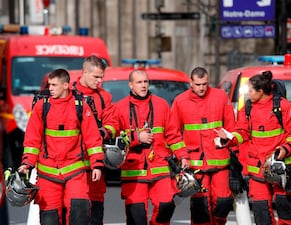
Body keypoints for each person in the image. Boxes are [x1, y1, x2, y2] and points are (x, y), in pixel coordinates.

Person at [216, 71, 291, 225]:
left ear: (261, 91)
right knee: (260, 210)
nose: (247, 94)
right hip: (258, 168)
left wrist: (284, 149)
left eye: (250, 90)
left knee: (285, 207)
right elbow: (242, 133)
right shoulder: (248, 108)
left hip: (280, 166)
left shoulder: (283, 106)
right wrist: (228, 139)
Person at [18, 68, 104, 225]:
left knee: (79, 213)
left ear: (66, 85)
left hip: (74, 170)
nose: (50, 88)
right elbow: (32, 140)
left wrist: (97, 164)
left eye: (54, 85)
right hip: (48, 173)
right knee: (50, 219)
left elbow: (92, 138)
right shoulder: (41, 107)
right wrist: (27, 163)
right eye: (49, 85)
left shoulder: (81, 106)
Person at [115, 70, 188, 225]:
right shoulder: (120, 108)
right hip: (133, 170)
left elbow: (173, 134)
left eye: (145, 82)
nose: (143, 85)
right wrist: (136, 138)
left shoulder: (161, 104)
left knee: (166, 207)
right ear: (131, 85)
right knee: (137, 218)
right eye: (139, 82)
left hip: (160, 167)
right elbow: (115, 140)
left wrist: (182, 156)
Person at [169, 67, 236, 225]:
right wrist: (182, 156)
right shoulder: (180, 101)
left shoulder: (220, 97)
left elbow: (232, 129)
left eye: (204, 84)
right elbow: (173, 133)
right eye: (198, 84)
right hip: (196, 165)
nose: (201, 88)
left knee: (223, 203)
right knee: (201, 208)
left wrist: (235, 156)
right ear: (191, 83)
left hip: (221, 161)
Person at [72, 55, 118, 225]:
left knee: (95, 213)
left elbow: (113, 123)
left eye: (101, 77)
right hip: (71, 164)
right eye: (96, 77)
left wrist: (103, 131)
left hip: (95, 163)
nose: (99, 81)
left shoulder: (104, 97)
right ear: (84, 72)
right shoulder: (68, 93)